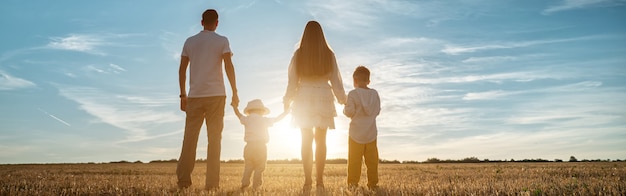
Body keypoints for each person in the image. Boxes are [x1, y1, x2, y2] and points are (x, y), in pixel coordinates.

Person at [176, 9, 239, 190]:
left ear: (201, 22)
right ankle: (211, 185)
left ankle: (183, 182)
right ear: (217, 23)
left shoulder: (190, 42)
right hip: (217, 96)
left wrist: (182, 94)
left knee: (189, 140)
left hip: (195, 96)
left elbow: (182, 70)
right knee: (214, 141)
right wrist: (235, 91)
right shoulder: (222, 41)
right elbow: (228, 65)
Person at [283, 20, 346, 189]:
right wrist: (342, 99)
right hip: (323, 96)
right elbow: (336, 80)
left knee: (305, 140)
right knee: (321, 141)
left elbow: (292, 81)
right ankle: (319, 181)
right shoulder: (328, 54)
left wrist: (287, 99)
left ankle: (307, 180)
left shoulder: (298, 54)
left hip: (303, 96)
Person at [232, 99, 288, 189]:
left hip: (248, 146)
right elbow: (277, 119)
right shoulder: (264, 120)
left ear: (249, 111)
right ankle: (256, 186)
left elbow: (238, 115)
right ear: (261, 111)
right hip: (261, 146)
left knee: (248, 166)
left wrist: (235, 107)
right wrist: (285, 113)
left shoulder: (247, 119)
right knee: (260, 167)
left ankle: (245, 184)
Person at [343, 66, 381, 190]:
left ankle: (353, 184)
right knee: (372, 162)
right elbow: (377, 111)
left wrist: (345, 107)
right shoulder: (374, 94)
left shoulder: (353, 94)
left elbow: (349, 112)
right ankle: (373, 184)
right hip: (371, 133)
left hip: (355, 133)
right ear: (368, 81)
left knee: (354, 161)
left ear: (355, 80)